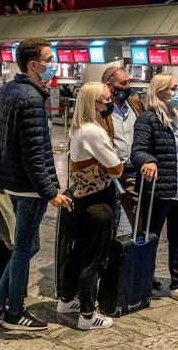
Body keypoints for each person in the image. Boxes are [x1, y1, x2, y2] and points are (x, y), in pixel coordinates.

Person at [0, 38, 71, 331]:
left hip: (10, 183)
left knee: (25, 246)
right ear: (34, 65)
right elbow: (35, 154)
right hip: (29, 189)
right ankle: (14, 312)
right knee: (23, 249)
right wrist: (51, 192)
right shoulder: (31, 99)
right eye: (49, 59)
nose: (53, 64)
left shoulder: (7, 90)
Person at [131, 74, 178, 306]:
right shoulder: (147, 119)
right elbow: (138, 151)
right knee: (150, 237)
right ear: (161, 92)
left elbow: (176, 147)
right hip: (159, 190)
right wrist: (148, 161)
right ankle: (143, 280)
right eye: (174, 88)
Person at [56, 82, 121, 330]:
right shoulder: (94, 131)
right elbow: (116, 168)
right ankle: (87, 315)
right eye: (105, 100)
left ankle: (66, 299)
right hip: (97, 202)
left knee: (76, 254)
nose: (109, 104)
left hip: (80, 199)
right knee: (93, 259)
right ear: (93, 103)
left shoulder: (78, 130)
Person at [101, 67, 144, 179]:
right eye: (123, 83)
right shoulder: (100, 109)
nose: (128, 86)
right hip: (111, 172)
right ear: (109, 85)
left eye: (129, 82)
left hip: (137, 169)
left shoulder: (136, 105)